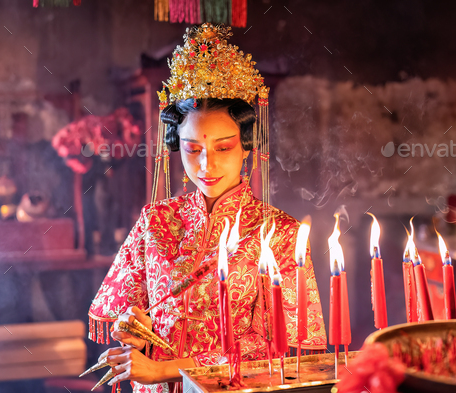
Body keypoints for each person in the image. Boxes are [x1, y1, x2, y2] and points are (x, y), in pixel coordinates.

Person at [87, 23, 327, 393]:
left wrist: (163, 369)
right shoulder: (155, 221)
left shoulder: (279, 233)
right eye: (192, 149)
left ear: (246, 145)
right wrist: (130, 326)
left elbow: (272, 352)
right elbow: (124, 310)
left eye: (223, 147)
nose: (206, 166)